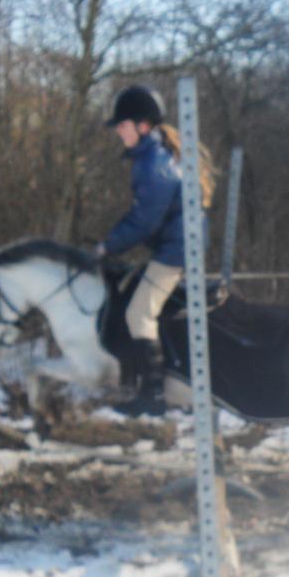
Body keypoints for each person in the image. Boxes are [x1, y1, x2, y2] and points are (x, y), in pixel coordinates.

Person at [96, 84, 215, 417]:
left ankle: (153, 396)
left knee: (139, 313)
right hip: (173, 246)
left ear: (143, 126)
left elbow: (143, 221)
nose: (118, 131)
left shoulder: (153, 164)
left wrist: (107, 246)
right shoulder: (156, 156)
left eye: (123, 125)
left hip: (176, 251)